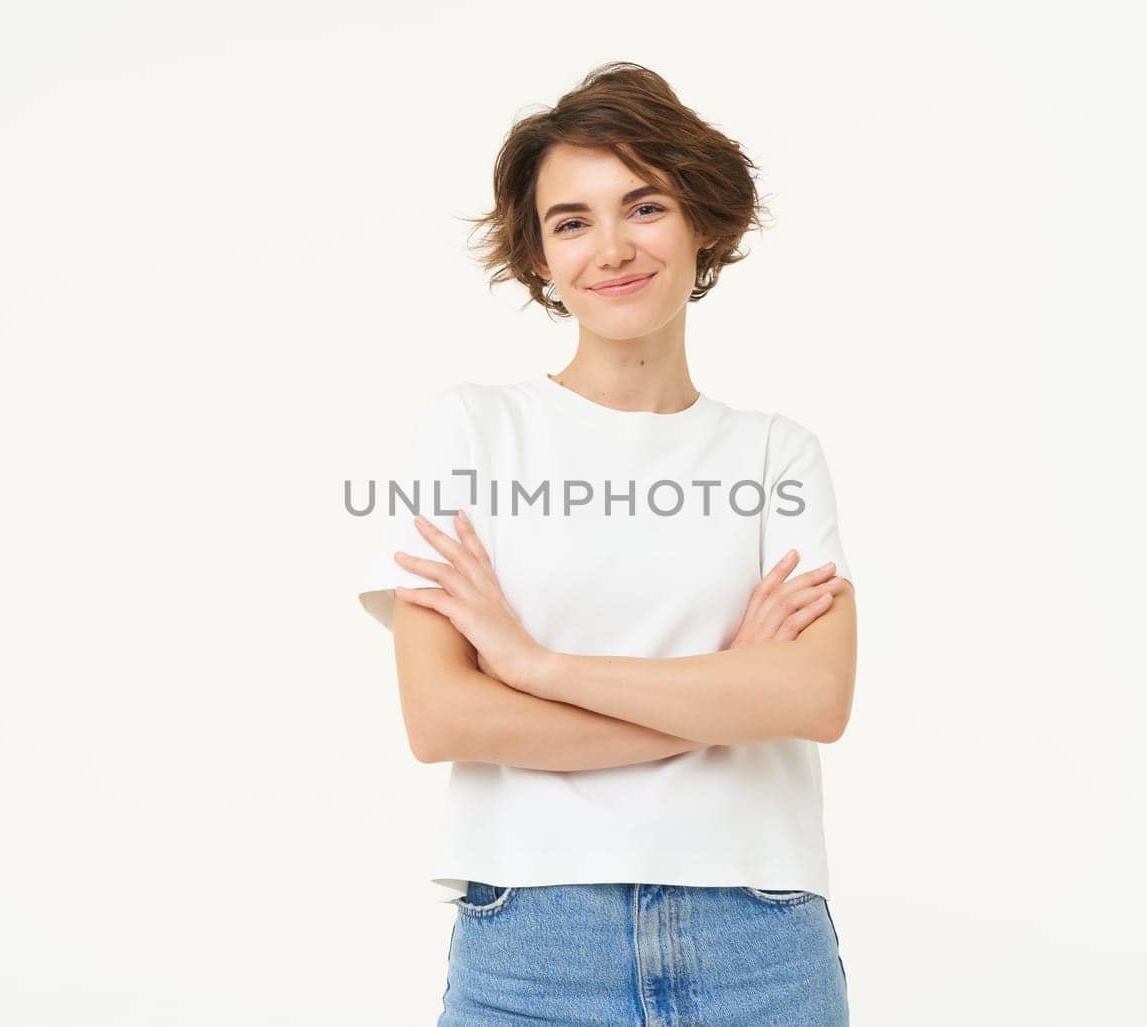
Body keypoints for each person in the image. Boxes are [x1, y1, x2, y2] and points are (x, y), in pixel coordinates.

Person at [356, 61, 857, 1026]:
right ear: (539, 259)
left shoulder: (776, 453)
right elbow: (444, 717)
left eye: (645, 205)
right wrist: (723, 695)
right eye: (571, 221)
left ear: (700, 222)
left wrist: (533, 664)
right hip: (533, 944)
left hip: (759, 939)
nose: (612, 247)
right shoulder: (471, 432)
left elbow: (813, 696)